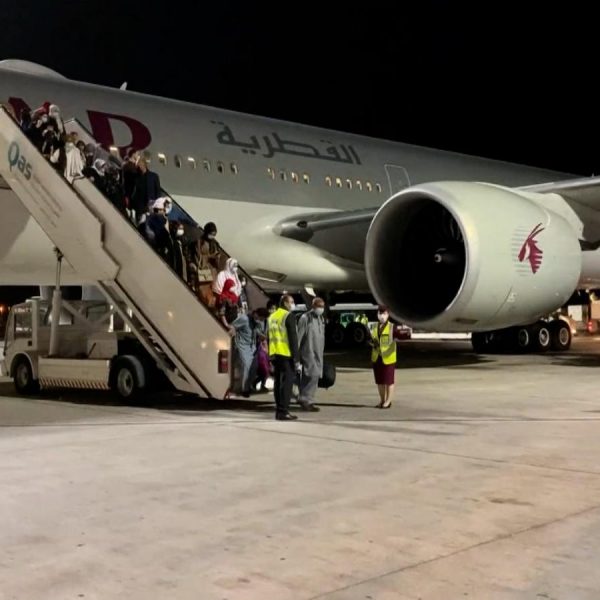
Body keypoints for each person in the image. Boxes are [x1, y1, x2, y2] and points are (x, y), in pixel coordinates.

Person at [268, 294, 300, 421]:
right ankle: (284, 411)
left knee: (278, 383)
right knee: (287, 383)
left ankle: (278, 410)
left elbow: (269, 336)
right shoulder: (288, 316)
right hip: (286, 354)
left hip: (275, 354)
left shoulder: (272, 316)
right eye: (291, 302)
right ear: (285, 303)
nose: (293, 304)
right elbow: (293, 338)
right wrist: (296, 358)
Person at [229, 307, 269, 397]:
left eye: (262, 319)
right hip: (242, 346)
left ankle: (248, 386)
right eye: (260, 318)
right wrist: (232, 333)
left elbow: (257, 331)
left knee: (253, 368)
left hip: (252, 348)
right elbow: (232, 326)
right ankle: (244, 389)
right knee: (246, 367)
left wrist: (261, 336)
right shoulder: (244, 319)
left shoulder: (257, 323)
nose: (260, 320)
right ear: (256, 314)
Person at [370, 305, 403, 409]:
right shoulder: (374, 327)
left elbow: (401, 336)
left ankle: (388, 401)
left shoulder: (392, 327)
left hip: (388, 358)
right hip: (377, 357)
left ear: (388, 315)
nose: (382, 316)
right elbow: (370, 339)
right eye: (380, 313)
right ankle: (382, 400)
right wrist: (373, 343)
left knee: (388, 381)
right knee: (379, 381)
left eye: (384, 313)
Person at [296, 297, 325, 411]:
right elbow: (299, 336)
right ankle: (306, 399)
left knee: (315, 376)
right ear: (313, 306)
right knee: (311, 375)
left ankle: (307, 398)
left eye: (322, 306)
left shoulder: (321, 319)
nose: (320, 309)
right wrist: (296, 353)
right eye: (319, 306)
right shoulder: (305, 318)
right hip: (308, 351)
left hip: (318, 351)